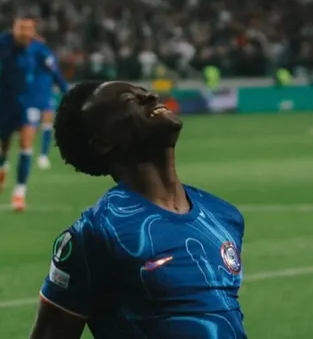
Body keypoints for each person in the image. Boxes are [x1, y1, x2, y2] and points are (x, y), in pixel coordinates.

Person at [30, 81, 247, 339]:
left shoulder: (223, 215)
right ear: (102, 142)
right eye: (129, 101)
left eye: (144, 92)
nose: (151, 96)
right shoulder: (99, 232)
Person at [0, 16, 69, 211]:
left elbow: (55, 73)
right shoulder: (2, 41)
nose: (24, 32)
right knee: (3, 145)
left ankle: (19, 193)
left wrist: (69, 95)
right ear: (14, 29)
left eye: (28, 28)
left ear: (33, 31)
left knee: (26, 144)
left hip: (29, 102)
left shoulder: (40, 49)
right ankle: (2, 165)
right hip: (6, 103)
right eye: (20, 28)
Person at [30, 38, 58, 170]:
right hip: (32, 94)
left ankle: (43, 155)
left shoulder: (47, 53)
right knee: (31, 125)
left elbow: (55, 72)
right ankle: (27, 151)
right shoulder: (31, 53)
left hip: (45, 93)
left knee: (48, 120)